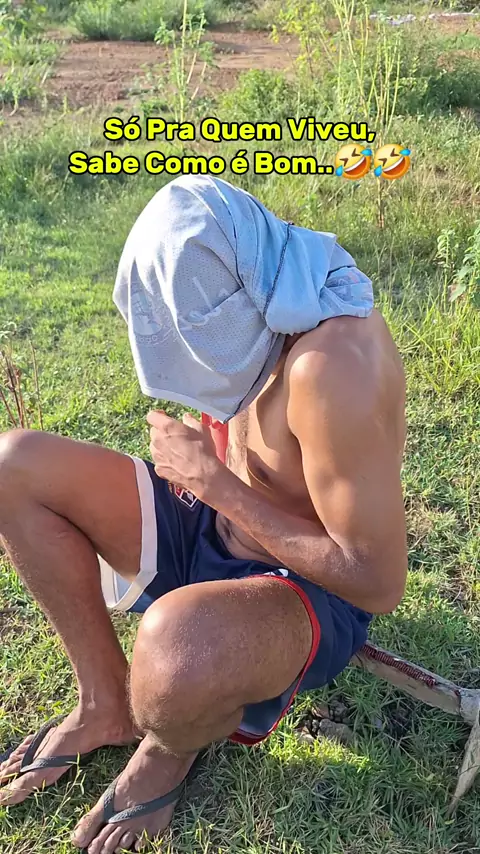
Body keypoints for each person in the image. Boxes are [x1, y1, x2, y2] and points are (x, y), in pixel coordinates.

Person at [0, 176, 407, 854]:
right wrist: (209, 474)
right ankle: (104, 702)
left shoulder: (331, 368)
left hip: (304, 589)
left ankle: (167, 748)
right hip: (209, 520)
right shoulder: (262, 284)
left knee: (173, 651)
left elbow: (377, 581)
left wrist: (216, 485)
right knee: (14, 466)